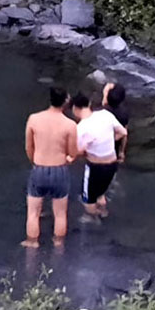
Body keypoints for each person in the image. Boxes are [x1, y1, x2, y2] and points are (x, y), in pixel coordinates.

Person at [22, 87, 78, 249]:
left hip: (39, 168)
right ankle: (58, 245)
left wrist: (35, 161)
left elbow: (28, 146)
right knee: (60, 214)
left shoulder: (34, 119)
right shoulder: (70, 125)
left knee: (33, 213)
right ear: (66, 101)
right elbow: (72, 153)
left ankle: (32, 243)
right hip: (59, 169)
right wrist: (66, 160)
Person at [71, 92, 127, 221]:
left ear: (75, 108)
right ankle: (104, 213)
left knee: (88, 200)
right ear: (89, 104)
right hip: (112, 165)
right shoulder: (105, 115)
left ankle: (94, 221)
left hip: (96, 168)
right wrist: (106, 141)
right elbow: (123, 132)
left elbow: (77, 151)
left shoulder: (81, 128)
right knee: (101, 194)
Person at [102, 83, 129, 162]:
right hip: (113, 148)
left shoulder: (103, 111)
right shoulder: (124, 114)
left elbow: (107, 87)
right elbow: (124, 135)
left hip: (101, 145)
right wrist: (122, 152)